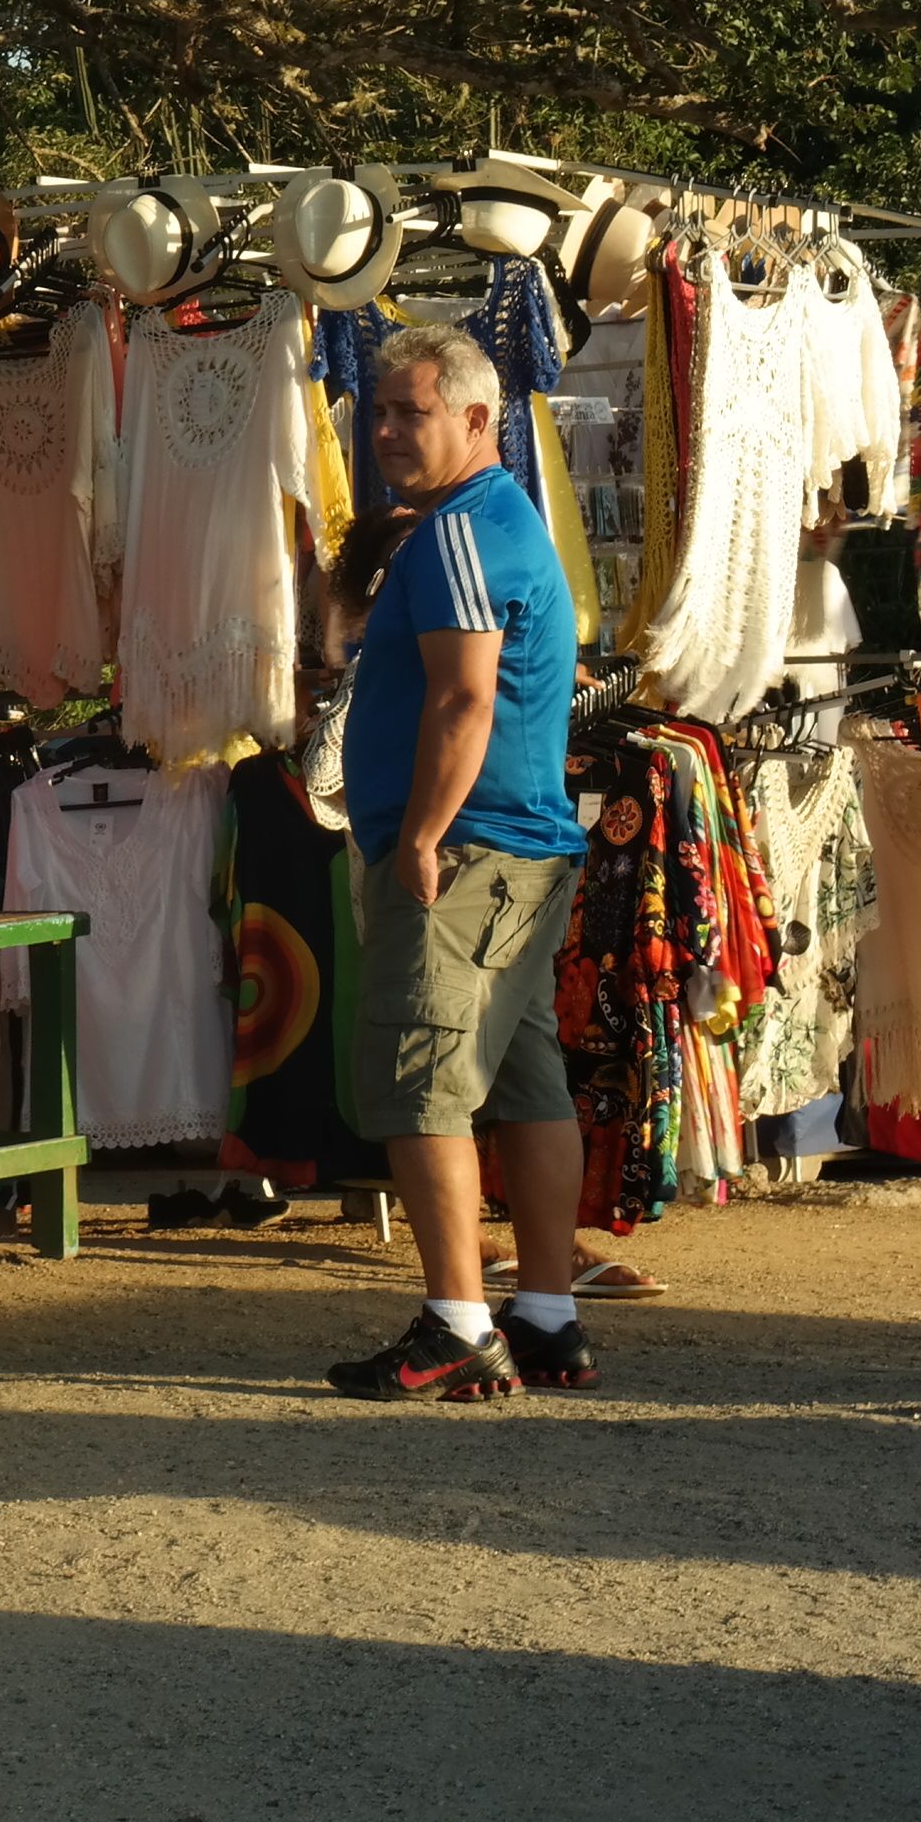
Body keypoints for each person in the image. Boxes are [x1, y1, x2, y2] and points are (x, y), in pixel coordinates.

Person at [328, 323, 594, 1401]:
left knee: (421, 1080)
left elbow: (465, 696)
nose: (388, 430)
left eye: (412, 412)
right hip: (516, 846)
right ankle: (546, 1313)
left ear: (479, 420)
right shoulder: (481, 522)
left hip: (471, 851)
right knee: (527, 1083)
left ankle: (458, 1321)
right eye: (379, 412)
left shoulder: (459, 536)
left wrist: (425, 838)